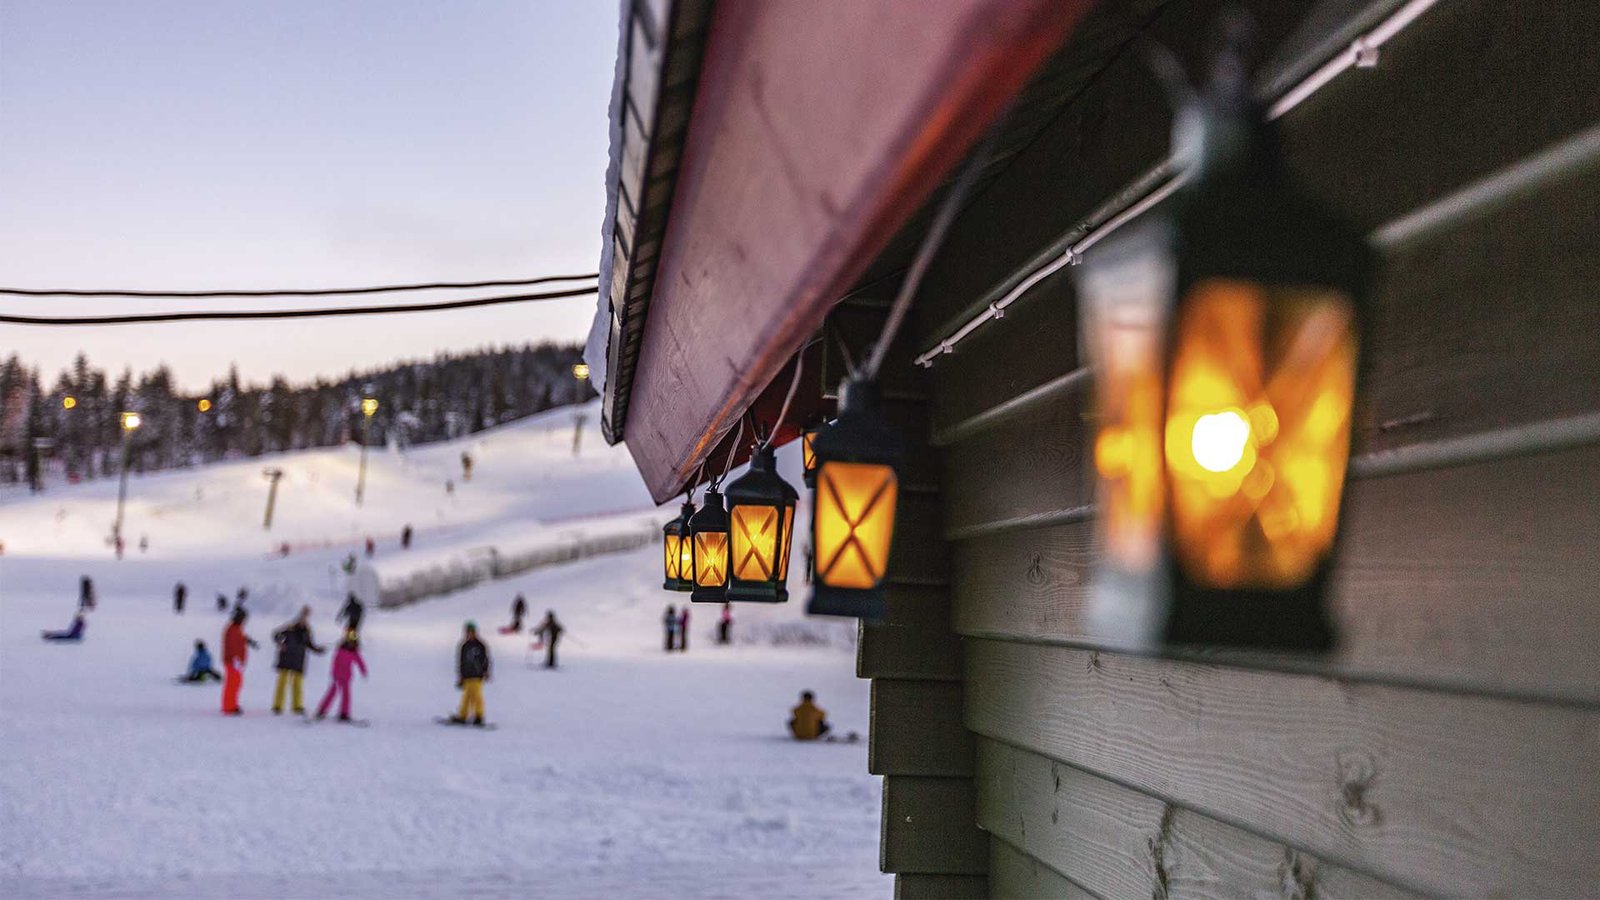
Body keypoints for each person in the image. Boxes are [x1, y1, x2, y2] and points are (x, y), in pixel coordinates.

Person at [271, 606, 326, 715]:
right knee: (282, 683)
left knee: (298, 685)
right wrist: (280, 643)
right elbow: (276, 635)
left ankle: (297, 706)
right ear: (300, 617)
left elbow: (310, 645)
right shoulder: (289, 628)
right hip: (286, 658)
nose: (304, 619)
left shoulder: (307, 632)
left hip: (298, 660)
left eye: (306, 617)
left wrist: (319, 650)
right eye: (303, 616)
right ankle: (277, 706)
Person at [315, 630, 368, 722]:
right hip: (337, 676)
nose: (351, 643)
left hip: (347, 676)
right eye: (350, 641)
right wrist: (333, 673)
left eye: (353, 642)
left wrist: (363, 671)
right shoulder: (340, 650)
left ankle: (344, 713)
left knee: (346, 695)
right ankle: (321, 711)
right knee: (332, 693)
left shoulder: (354, 653)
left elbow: (360, 662)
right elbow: (334, 662)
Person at [451, 621, 491, 726]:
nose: (469, 634)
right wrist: (460, 676)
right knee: (466, 696)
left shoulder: (480, 645)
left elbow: (485, 659)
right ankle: (463, 715)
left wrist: (486, 671)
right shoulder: (464, 646)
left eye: (471, 632)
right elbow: (461, 661)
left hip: (477, 674)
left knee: (476, 696)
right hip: (467, 675)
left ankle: (479, 716)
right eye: (467, 632)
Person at [221, 608, 259, 715]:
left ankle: (231, 704)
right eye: (243, 618)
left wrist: (249, 641)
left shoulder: (236, 628)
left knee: (236, 683)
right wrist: (235, 660)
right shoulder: (232, 629)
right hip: (233, 661)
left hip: (235, 661)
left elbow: (241, 638)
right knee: (232, 684)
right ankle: (229, 707)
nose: (244, 621)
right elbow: (232, 645)